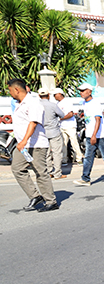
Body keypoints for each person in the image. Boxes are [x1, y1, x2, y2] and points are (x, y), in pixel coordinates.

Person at [7, 78, 59, 212]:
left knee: (40, 172)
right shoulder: (20, 103)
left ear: (16, 89)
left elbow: (33, 123)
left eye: (10, 90)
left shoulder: (33, 102)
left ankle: (51, 201)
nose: (10, 93)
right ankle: (35, 196)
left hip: (35, 145)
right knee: (17, 168)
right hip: (23, 146)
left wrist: (24, 140)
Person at [73, 82, 104, 186]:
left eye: (83, 91)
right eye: (80, 91)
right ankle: (85, 178)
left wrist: (94, 135)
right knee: (88, 158)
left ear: (89, 91)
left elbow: (98, 120)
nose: (81, 93)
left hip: (98, 136)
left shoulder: (95, 103)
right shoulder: (85, 103)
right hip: (90, 135)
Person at [37, 88, 66, 179]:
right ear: (48, 95)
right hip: (54, 131)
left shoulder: (36, 105)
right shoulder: (52, 105)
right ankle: (57, 173)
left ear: (39, 96)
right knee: (57, 153)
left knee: (46, 154)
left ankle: (49, 171)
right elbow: (62, 115)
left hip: (42, 132)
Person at [53, 88, 82, 164]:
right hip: (62, 126)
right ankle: (64, 159)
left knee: (74, 142)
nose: (54, 96)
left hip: (70, 126)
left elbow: (70, 114)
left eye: (55, 95)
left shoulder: (67, 102)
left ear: (60, 94)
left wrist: (61, 119)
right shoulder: (57, 104)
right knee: (63, 144)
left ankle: (79, 159)